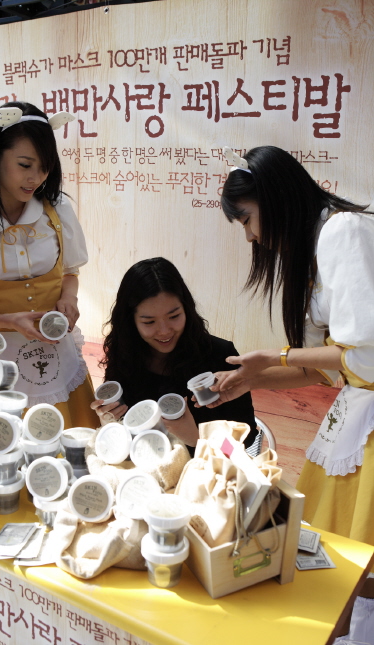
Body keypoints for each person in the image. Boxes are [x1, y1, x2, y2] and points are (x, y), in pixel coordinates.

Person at [213, 144, 374, 639]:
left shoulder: (343, 233)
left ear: (276, 198)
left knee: (358, 567)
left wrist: (274, 358)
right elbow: (324, 369)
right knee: (341, 560)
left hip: (366, 419)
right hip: (355, 413)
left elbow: (364, 358)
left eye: (246, 219)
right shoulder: (314, 245)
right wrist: (251, 378)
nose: (249, 236)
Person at [0, 101, 98, 428]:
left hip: (60, 356)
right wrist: (9, 321)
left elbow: (70, 272)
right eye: (25, 165)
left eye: (45, 167)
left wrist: (69, 298)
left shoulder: (56, 212)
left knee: (78, 439)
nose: (36, 178)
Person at [91, 257, 258, 452]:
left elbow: (246, 439)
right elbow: (123, 435)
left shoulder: (221, 356)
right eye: (149, 322)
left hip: (204, 468)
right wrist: (108, 422)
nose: (164, 331)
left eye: (174, 316)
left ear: (186, 309)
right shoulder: (125, 355)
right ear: (131, 322)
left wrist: (196, 439)